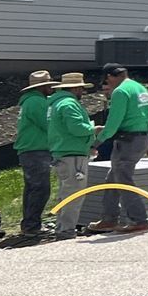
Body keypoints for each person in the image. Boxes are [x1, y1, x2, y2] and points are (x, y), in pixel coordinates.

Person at [90, 63, 148, 235]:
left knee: (124, 181)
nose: (107, 85)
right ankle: (109, 219)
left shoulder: (121, 92)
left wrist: (96, 143)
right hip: (141, 139)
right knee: (113, 178)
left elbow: (114, 123)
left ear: (110, 77)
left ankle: (139, 220)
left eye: (106, 81)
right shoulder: (139, 88)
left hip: (128, 141)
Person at [46, 73, 96, 240]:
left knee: (66, 192)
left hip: (63, 153)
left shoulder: (55, 104)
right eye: (81, 88)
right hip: (72, 156)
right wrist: (93, 129)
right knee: (74, 194)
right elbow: (76, 128)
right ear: (75, 88)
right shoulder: (69, 104)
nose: (82, 91)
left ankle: (62, 228)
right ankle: (66, 231)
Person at [12, 69, 56, 241]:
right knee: (40, 189)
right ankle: (32, 226)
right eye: (48, 85)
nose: (51, 87)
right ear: (42, 87)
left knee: (32, 188)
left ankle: (30, 225)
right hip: (36, 150)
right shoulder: (37, 102)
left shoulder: (29, 101)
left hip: (29, 150)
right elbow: (48, 125)